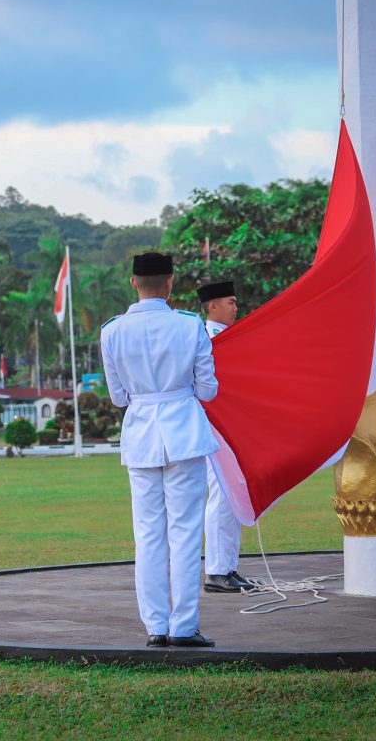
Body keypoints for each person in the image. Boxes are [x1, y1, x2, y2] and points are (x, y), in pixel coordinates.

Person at [99, 252, 219, 648]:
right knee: (185, 534)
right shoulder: (189, 325)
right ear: (170, 283)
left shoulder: (112, 331)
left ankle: (156, 627)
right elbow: (207, 389)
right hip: (184, 432)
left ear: (133, 283)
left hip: (141, 437)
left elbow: (118, 398)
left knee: (148, 535)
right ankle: (184, 626)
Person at [197, 281, 255, 594]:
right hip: (212, 426)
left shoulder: (231, 337)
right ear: (213, 307)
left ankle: (228, 567)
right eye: (230, 302)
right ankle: (216, 571)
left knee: (233, 493)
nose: (236, 307)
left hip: (230, 426)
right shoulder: (203, 339)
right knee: (221, 492)